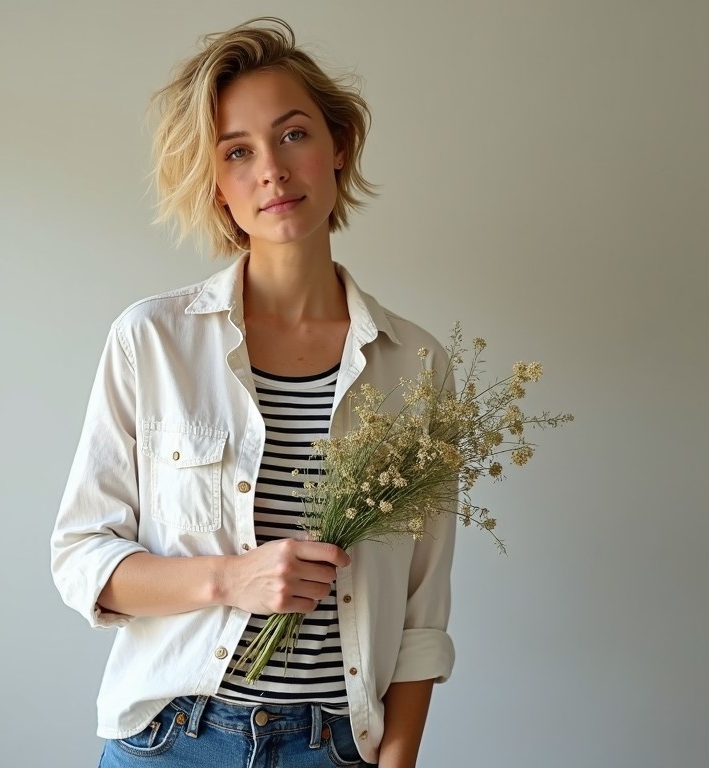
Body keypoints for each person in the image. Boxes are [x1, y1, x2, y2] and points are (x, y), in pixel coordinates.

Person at [51, 17, 456, 768]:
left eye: (293, 134)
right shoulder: (152, 342)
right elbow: (84, 559)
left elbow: (421, 614)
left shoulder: (417, 366)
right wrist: (233, 578)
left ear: (338, 147)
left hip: (333, 747)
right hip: (172, 741)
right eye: (238, 151)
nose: (271, 168)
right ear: (216, 185)